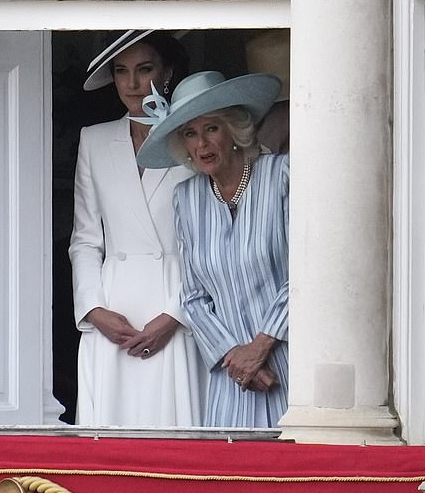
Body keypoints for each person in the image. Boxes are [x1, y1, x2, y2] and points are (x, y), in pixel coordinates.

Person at [136, 70, 289, 428]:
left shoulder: (281, 176)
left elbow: (306, 274)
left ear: (234, 129)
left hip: (287, 365)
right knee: (232, 477)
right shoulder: (186, 199)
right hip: (232, 377)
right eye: (190, 133)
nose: (201, 144)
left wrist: (261, 347)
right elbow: (193, 297)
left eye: (211, 129)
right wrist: (234, 355)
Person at [69, 30, 202, 427]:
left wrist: (177, 314)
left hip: (176, 302)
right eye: (121, 71)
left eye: (144, 69)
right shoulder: (94, 140)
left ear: (167, 73)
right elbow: (86, 239)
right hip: (115, 307)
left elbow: (211, 241)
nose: (130, 84)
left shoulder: (194, 139)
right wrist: (93, 309)